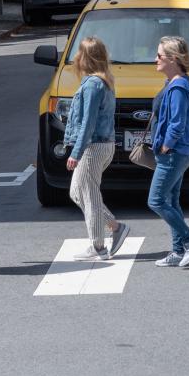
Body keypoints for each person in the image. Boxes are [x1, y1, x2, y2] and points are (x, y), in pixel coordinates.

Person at [64, 37, 128, 261]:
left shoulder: (93, 84)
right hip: (102, 145)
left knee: (89, 197)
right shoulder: (103, 80)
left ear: (85, 57)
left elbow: (88, 123)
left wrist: (76, 152)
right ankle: (115, 226)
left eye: (79, 53)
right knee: (77, 193)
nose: (75, 58)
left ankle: (98, 247)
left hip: (93, 147)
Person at [149, 36, 189, 269]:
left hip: (174, 152)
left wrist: (166, 145)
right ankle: (177, 250)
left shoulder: (178, 87)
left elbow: (178, 123)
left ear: (173, 59)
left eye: (160, 56)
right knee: (171, 200)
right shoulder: (176, 82)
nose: (155, 59)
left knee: (156, 200)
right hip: (178, 151)